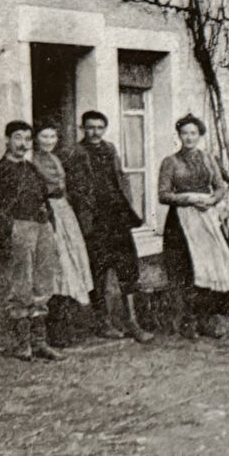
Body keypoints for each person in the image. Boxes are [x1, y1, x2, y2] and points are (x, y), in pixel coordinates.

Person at [60, 110, 152, 342]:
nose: (95, 132)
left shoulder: (110, 149)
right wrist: (84, 214)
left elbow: (121, 179)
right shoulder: (73, 153)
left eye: (99, 127)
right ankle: (103, 322)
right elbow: (72, 189)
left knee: (128, 269)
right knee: (98, 272)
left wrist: (127, 205)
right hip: (94, 221)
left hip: (117, 218)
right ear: (82, 128)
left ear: (105, 129)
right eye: (90, 127)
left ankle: (132, 322)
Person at [0, 120, 62, 362]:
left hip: (41, 228)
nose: (23, 144)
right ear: (7, 140)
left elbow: (44, 200)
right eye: (18, 138)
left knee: (43, 285)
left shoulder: (32, 169)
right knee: (21, 287)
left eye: (27, 139)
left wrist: (49, 226)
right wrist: (12, 229)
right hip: (17, 231)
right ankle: (22, 344)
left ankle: (39, 343)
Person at [158, 114, 229, 338]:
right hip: (180, 221)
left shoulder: (209, 159)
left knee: (209, 267)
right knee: (187, 269)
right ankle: (187, 322)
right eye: (185, 133)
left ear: (200, 135)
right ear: (179, 135)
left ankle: (206, 319)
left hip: (206, 217)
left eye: (193, 133)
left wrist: (212, 201)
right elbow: (163, 194)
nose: (189, 137)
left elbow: (220, 187)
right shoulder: (170, 162)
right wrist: (187, 198)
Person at [33, 123, 95, 347]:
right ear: (36, 138)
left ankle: (67, 326)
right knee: (58, 265)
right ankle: (53, 330)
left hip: (64, 211)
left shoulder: (55, 158)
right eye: (44, 136)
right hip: (48, 212)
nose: (49, 141)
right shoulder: (33, 161)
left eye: (53, 136)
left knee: (73, 264)